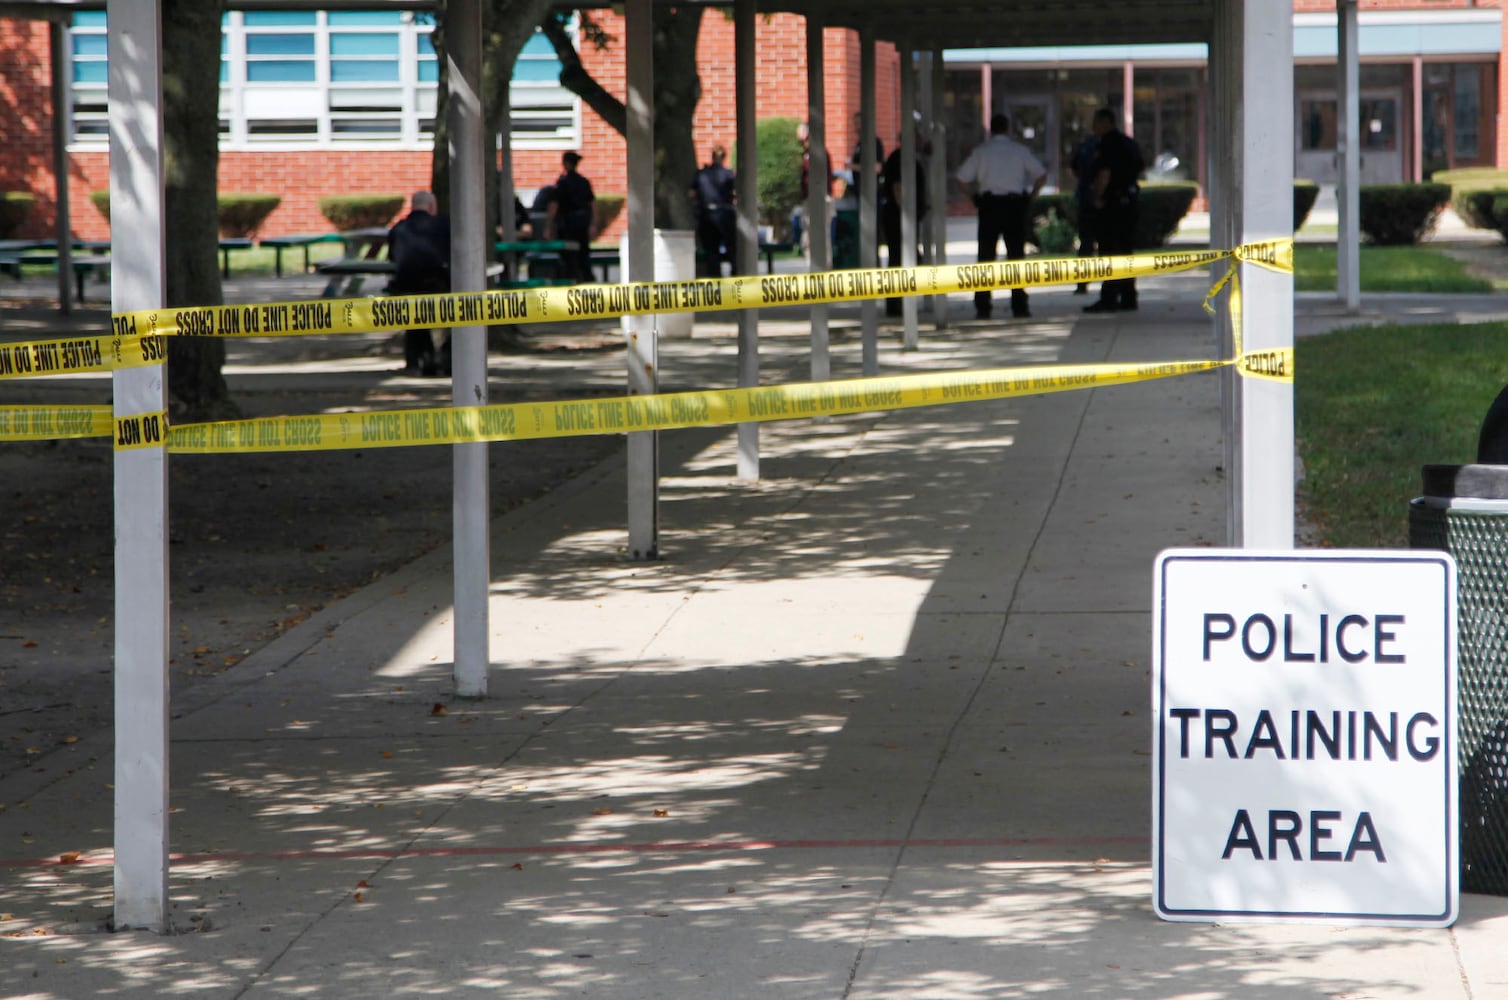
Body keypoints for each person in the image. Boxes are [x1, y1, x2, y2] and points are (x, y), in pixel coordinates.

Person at [955, 113, 1046, 320]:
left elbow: (960, 179)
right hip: (1014, 206)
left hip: (990, 206)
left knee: (985, 257)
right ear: (1007, 129)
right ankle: (1019, 305)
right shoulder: (1020, 151)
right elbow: (1041, 175)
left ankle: (983, 306)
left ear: (991, 129)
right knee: (1016, 256)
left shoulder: (981, 152)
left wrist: (974, 197)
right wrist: (1030, 197)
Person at [1083, 107, 1145, 313]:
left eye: (1096, 122)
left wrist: (1098, 197)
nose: (1093, 127)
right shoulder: (1129, 143)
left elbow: (1104, 174)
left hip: (1111, 206)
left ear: (1106, 122)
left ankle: (1109, 297)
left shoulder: (1106, 145)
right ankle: (1128, 296)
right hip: (1129, 203)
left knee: (1108, 252)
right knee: (1126, 252)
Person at [386, 190, 450, 376]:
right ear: (431, 207)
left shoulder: (398, 229)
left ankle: (419, 360)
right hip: (439, 285)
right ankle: (445, 359)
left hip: (406, 286)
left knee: (415, 317)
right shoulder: (444, 226)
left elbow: (393, 258)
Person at [881, 139, 930, 316]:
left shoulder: (908, 158)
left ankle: (898, 302)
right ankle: (895, 304)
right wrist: (905, 213)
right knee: (899, 259)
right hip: (899, 216)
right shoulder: (900, 159)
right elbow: (897, 187)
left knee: (903, 257)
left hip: (902, 215)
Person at [547, 150, 596, 282]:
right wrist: (592, 224)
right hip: (582, 222)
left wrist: (549, 225)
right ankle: (586, 280)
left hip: (568, 224)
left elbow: (554, 205)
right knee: (583, 255)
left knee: (569, 256)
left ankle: (571, 280)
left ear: (565, 163)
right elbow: (592, 204)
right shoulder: (584, 182)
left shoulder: (562, 183)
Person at [690, 144, 737, 277]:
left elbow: (692, 194)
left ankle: (715, 282)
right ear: (723, 157)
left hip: (706, 216)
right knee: (732, 250)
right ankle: (734, 278)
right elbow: (735, 193)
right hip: (724, 215)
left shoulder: (701, 174)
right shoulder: (728, 175)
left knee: (711, 253)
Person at [1068, 129, 1101, 295]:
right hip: (1105, 202)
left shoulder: (1084, 148)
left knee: (1086, 244)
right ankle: (1114, 286)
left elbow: (1073, 170)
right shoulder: (1108, 146)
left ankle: (1082, 284)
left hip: (1086, 200)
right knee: (1109, 246)